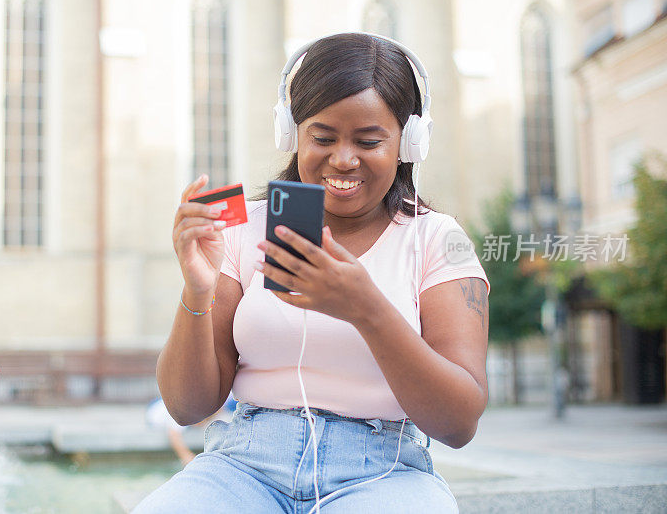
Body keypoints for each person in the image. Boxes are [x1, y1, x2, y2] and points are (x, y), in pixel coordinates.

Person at [134, 32, 490, 513]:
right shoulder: (243, 222)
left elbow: (459, 424)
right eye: (322, 138)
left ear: (409, 142)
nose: (343, 159)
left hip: (382, 473)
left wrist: (367, 310)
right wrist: (197, 291)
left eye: (369, 141)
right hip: (243, 467)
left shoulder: (436, 239)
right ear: (291, 132)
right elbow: (186, 406)